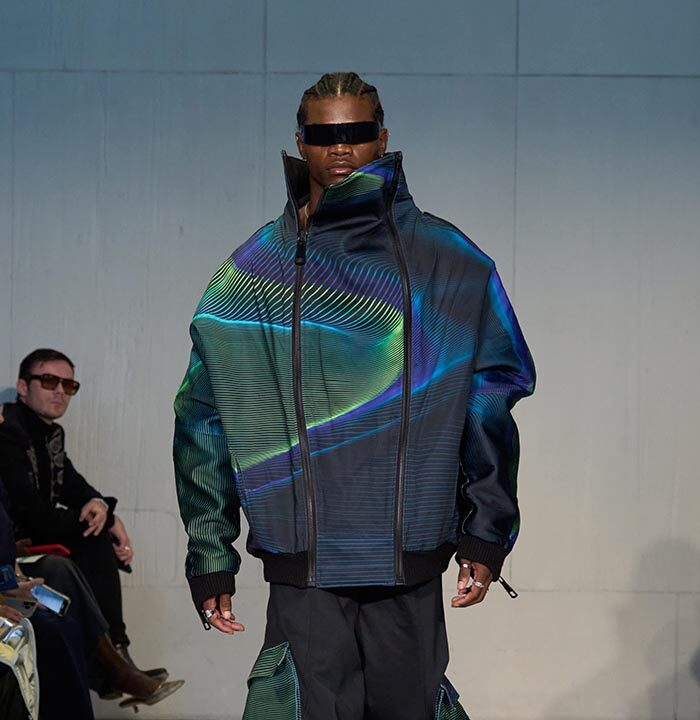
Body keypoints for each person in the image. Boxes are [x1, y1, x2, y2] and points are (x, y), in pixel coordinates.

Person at [174, 71, 535, 720]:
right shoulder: (253, 271)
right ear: (300, 142)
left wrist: (486, 535)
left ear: (382, 138)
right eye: (324, 135)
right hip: (305, 566)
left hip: (407, 560)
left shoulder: (447, 261)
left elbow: (489, 399)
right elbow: (205, 420)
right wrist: (209, 553)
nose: (341, 147)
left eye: (357, 132)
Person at [0, 349, 170, 687]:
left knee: (95, 537)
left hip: (35, 543)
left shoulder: (50, 434)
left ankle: (116, 661)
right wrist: (101, 520)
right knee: (85, 545)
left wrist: (103, 508)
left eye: (68, 385)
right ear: (22, 386)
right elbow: (31, 513)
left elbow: (74, 486)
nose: (60, 391)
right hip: (14, 551)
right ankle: (113, 665)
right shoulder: (10, 431)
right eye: (49, 381)